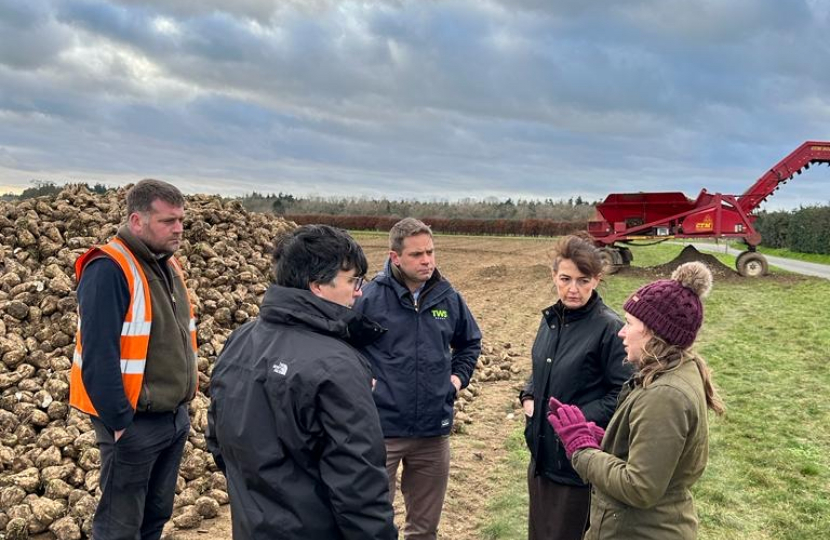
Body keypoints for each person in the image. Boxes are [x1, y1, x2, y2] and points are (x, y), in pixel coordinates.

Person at [205, 224, 397, 540]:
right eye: (352, 281)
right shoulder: (337, 364)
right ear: (317, 286)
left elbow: (218, 437)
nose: (359, 291)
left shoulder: (240, 340)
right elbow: (358, 483)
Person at [547, 261, 725, 540]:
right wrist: (603, 439)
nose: (621, 332)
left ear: (654, 333)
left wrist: (582, 450)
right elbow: (652, 454)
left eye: (630, 324)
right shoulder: (668, 374)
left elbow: (640, 487)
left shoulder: (665, 396)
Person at [69, 179, 197, 540]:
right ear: (137, 221)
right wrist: (119, 422)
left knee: (155, 516)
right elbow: (98, 355)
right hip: (133, 423)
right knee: (119, 526)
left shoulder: (167, 265)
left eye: (181, 220)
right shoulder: (108, 268)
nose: (179, 229)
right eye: (168, 221)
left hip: (172, 418)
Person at [354, 217, 481, 540]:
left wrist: (456, 380)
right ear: (395, 257)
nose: (427, 260)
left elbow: (469, 342)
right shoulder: (370, 298)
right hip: (382, 432)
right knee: (370, 524)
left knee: (424, 530)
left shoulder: (447, 296)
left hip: (432, 432)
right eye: (416, 255)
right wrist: (363, 382)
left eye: (430, 252)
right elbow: (346, 348)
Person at [519, 234, 633, 540]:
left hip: (578, 466)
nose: (573, 289)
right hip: (542, 459)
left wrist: (574, 422)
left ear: (596, 280)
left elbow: (625, 395)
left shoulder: (609, 328)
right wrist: (529, 392)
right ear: (554, 276)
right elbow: (544, 367)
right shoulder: (551, 320)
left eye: (583, 280)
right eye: (565, 278)